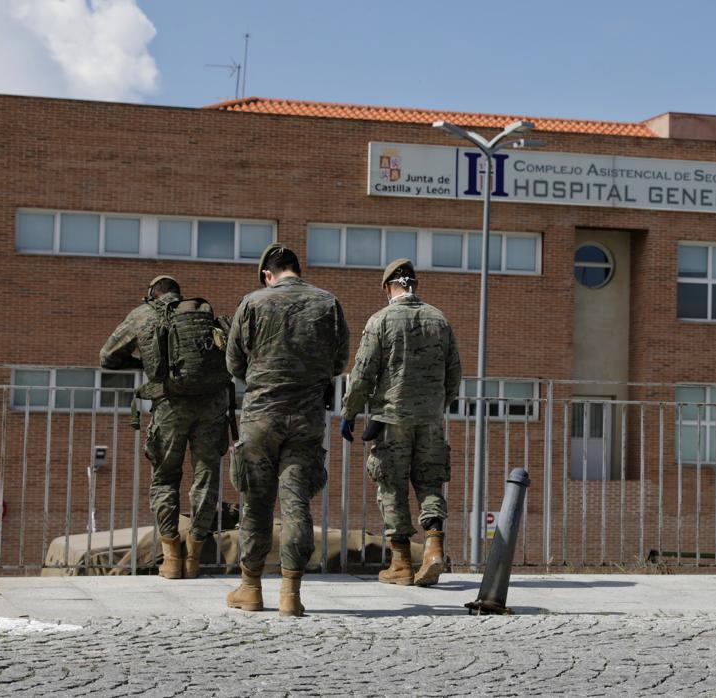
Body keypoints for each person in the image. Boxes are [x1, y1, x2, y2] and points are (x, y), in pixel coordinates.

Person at [225, 243, 348, 617]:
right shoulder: (328, 304)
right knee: (296, 505)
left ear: (268, 274)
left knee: (257, 504)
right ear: (296, 268)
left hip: (261, 417)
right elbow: (340, 362)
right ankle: (291, 594)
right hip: (307, 416)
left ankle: (250, 587)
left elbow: (234, 363)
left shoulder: (252, 303)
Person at [100, 275, 231, 580]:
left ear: (152, 296)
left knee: (165, 477)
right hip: (211, 405)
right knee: (206, 477)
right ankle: (195, 557)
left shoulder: (143, 315)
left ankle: (171, 559)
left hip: (170, 406)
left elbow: (107, 357)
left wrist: (145, 367)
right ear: (177, 295)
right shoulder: (199, 313)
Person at [341, 258, 461, 587]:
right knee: (430, 483)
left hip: (391, 419)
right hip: (431, 420)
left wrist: (350, 411)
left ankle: (401, 563)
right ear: (415, 285)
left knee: (391, 486)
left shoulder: (380, 321)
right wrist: (439, 405)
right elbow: (455, 374)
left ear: (387, 287)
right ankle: (434, 549)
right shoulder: (439, 320)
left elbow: (363, 374)